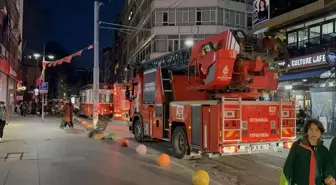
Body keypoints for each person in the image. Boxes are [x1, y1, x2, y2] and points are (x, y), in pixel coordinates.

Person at [280, 119, 336, 185]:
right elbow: (288, 168)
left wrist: (329, 176)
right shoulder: (298, 146)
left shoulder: (323, 150)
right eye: (311, 129)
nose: (313, 133)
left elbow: (328, 167)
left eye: (317, 130)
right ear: (307, 131)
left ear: (321, 133)